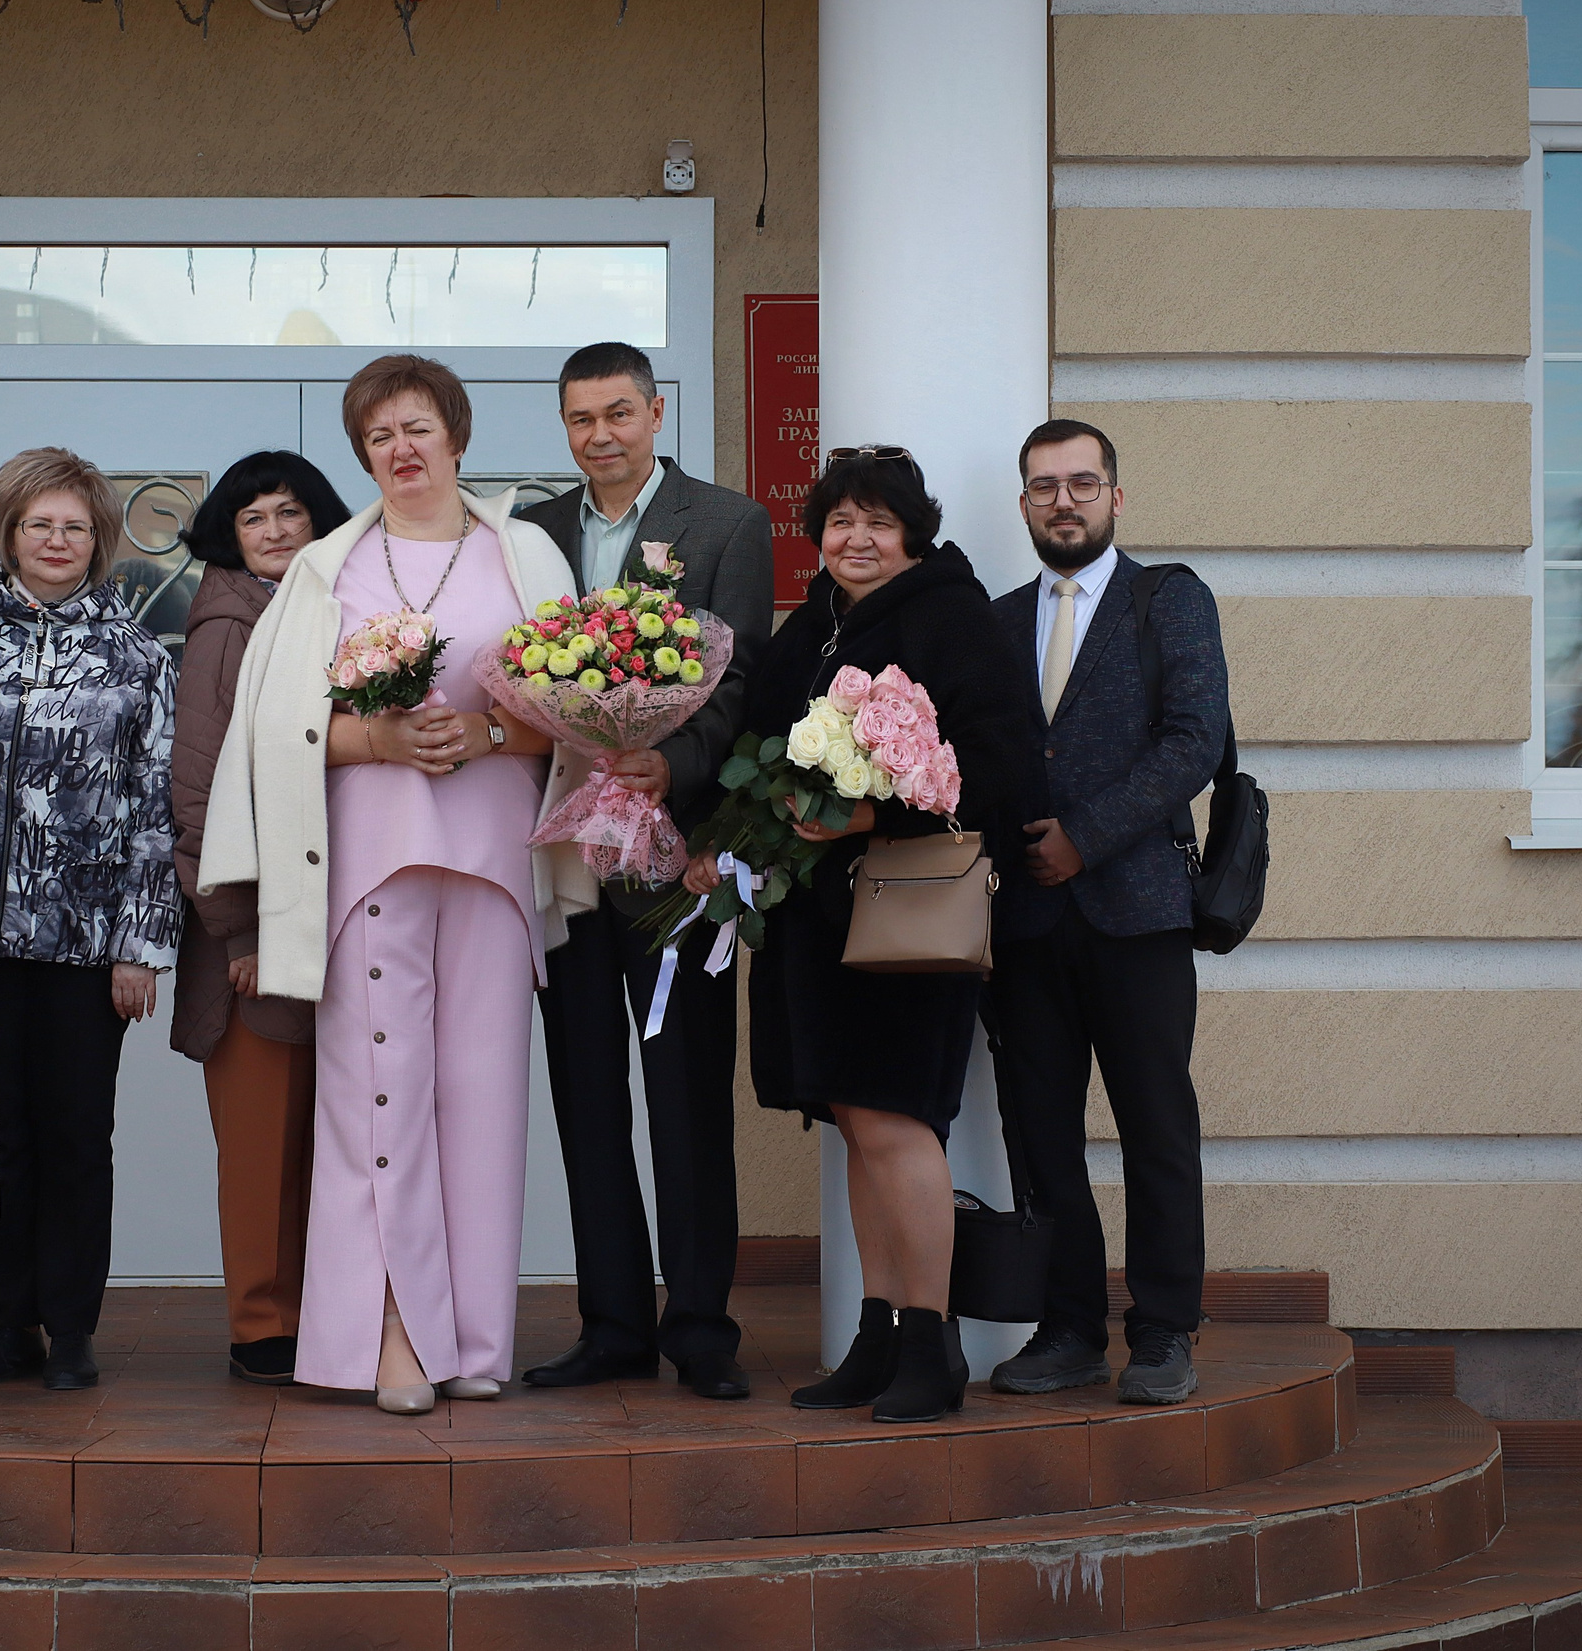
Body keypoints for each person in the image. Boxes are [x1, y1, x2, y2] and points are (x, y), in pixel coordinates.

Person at [199, 354, 585, 1416]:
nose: (401, 450)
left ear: (455, 434)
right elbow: (270, 729)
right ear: (363, 454)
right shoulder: (327, 566)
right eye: (378, 438)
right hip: (364, 861)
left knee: (481, 1103)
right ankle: (389, 1334)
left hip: (496, 864)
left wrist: (490, 729)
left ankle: (472, 1337)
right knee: (379, 1101)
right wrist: (371, 736)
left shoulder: (528, 552)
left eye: (416, 428)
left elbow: (585, 703)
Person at [688, 449, 1034, 1423]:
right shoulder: (815, 625)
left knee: (895, 1119)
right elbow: (763, 753)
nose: (857, 539)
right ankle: (878, 1336)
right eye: (840, 521)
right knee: (856, 1122)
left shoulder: (948, 616)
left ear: (911, 531)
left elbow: (997, 769)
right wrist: (727, 840)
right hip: (817, 922)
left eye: (877, 521)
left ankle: (935, 1343)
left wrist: (875, 818)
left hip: (906, 914)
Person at [515, 342, 775, 1402]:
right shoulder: (533, 532)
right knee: (584, 1097)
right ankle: (611, 1321)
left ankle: (700, 1326)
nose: (599, 436)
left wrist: (671, 763)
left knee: (684, 1098)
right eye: (580, 419)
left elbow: (740, 674)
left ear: (656, 414)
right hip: (568, 858)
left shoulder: (725, 524)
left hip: (679, 859)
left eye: (618, 413)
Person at [986, 418, 1228, 1407]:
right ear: (1024, 506)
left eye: (1081, 483)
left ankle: (1164, 1332)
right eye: (1044, 487)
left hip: (1138, 914)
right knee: (1038, 1133)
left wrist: (1084, 834)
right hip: (1024, 925)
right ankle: (1069, 1327)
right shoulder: (1000, 620)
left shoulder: (1164, 600)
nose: (1063, 501)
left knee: (1155, 1129)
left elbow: (1193, 742)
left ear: (1114, 497)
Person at [0, 448, 181, 1393]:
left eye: (75, 526)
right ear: (7, 531)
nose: (56, 540)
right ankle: (10, 1325)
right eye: (39, 523)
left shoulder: (135, 654)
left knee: (79, 1134)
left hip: (86, 948)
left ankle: (73, 1327)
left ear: (99, 541)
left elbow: (155, 806)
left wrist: (142, 945)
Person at [168, 451, 352, 1386]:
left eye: (292, 513)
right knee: (260, 1141)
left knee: (337, 1135)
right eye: (255, 518)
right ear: (227, 535)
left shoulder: (333, 610)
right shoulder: (227, 621)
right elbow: (196, 791)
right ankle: (261, 1326)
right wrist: (239, 929)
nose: (277, 530)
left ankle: (325, 1313)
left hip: (333, 917)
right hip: (250, 934)